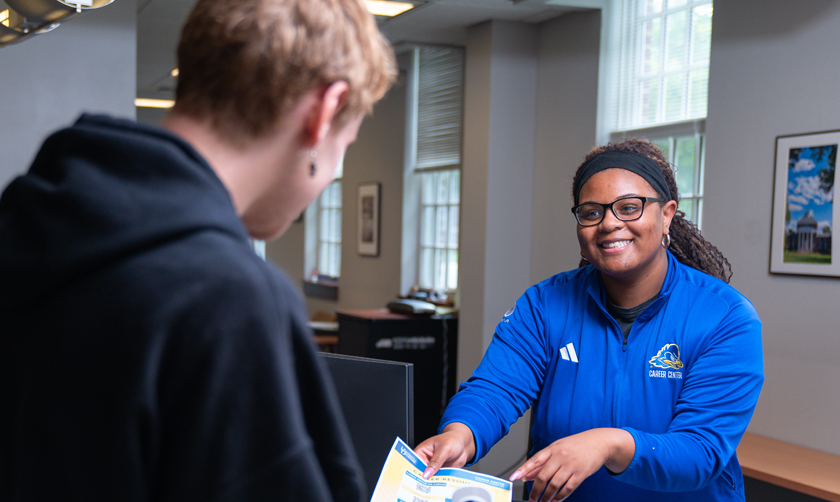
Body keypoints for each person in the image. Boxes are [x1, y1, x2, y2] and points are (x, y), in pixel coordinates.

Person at [0, 0, 395, 500]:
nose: (334, 173)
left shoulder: (28, 222)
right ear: (324, 112)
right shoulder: (228, 297)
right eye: (347, 146)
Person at [415, 139, 764, 502]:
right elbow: (495, 389)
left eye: (629, 208)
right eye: (592, 212)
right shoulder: (545, 304)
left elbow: (700, 451)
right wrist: (460, 434)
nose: (610, 223)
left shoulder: (726, 318)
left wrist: (607, 444)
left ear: (666, 215)